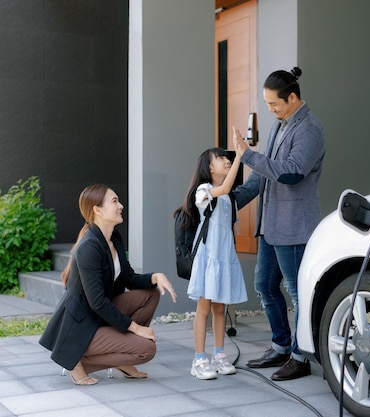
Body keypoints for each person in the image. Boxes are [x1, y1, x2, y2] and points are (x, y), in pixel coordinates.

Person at [232, 67, 325, 381]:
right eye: (268, 104)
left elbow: (291, 172)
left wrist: (248, 156)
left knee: (298, 294)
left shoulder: (310, 129)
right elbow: (262, 175)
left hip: (296, 227)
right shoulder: (280, 125)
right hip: (270, 226)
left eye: (274, 104)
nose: (270, 110)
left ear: (293, 97)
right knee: (265, 286)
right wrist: (230, 203)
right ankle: (281, 346)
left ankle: (300, 357)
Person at [39, 185, 177, 385]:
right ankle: (77, 359)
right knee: (146, 350)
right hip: (82, 325)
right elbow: (97, 302)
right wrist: (135, 328)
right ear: (98, 210)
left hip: (99, 315)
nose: (121, 205)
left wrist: (156, 276)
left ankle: (121, 354)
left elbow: (129, 278)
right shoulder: (89, 248)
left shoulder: (114, 238)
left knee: (150, 294)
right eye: (114, 201)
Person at [177, 144, 247, 380]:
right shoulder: (203, 191)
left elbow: (228, 191)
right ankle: (199, 359)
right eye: (221, 158)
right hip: (209, 259)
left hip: (224, 257)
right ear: (208, 166)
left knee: (220, 308)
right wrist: (240, 155)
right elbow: (226, 186)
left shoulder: (228, 198)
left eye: (228, 159)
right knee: (204, 309)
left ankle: (219, 355)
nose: (226, 161)